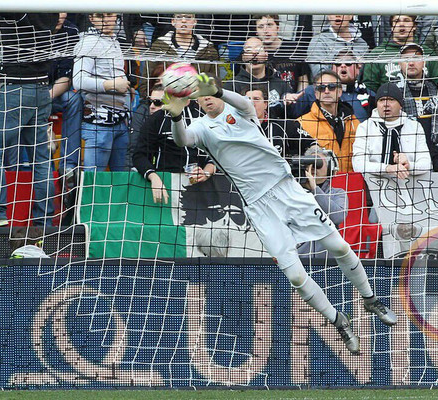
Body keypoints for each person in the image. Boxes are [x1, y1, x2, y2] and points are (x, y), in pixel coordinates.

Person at [162, 72, 397, 354]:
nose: (206, 99)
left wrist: (220, 91)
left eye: (210, 92)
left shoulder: (242, 110)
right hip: (258, 207)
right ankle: (338, 320)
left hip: (288, 190)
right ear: (195, 100)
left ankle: (370, 299)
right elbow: (182, 140)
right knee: (296, 277)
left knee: (339, 246)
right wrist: (176, 116)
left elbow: (240, 101)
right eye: (200, 96)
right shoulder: (200, 127)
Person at [0, 13, 59, 227]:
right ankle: (44, 220)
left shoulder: (16, 9)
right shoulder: (50, 10)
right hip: (42, 89)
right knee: (41, 159)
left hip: (16, 87)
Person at [132, 91, 215, 204]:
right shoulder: (157, 119)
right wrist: (153, 177)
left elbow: (218, 153)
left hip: (201, 189)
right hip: (165, 184)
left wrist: (205, 173)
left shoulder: (202, 116)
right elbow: (139, 155)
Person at [73, 12, 130, 172]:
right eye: (100, 16)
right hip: (99, 124)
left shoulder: (114, 41)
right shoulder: (89, 42)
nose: (106, 20)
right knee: (93, 182)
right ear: (91, 18)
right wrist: (111, 84)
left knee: (121, 183)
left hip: (120, 121)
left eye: (110, 14)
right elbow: (78, 80)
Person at [352, 82, 432, 178]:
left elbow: (426, 163)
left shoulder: (415, 127)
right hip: (373, 187)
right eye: (381, 100)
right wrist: (387, 168)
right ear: (376, 104)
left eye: (391, 100)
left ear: (401, 104)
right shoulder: (365, 128)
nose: (386, 104)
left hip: (409, 186)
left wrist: (409, 165)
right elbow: (358, 165)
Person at [140, 13, 219, 97]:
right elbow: (146, 83)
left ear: (195, 22)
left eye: (188, 17)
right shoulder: (158, 47)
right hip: (166, 101)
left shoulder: (209, 50)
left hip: (198, 102)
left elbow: (216, 84)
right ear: (173, 22)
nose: (184, 21)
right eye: (179, 17)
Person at [362, 15, 438, 94]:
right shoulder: (377, 54)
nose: (401, 24)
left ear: (414, 26)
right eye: (396, 21)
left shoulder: (428, 53)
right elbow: (370, 86)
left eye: (406, 20)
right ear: (391, 27)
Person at [297, 70, 360, 173]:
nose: (326, 91)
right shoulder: (302, 123)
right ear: (316, 94)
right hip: (321, 185)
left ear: (339, 92)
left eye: (331, 87)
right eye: (321, 88)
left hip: (351, 182)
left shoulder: (354, 122)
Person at [286, 52, 375, 121]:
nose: (343, 66)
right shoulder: (313, 91)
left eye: (348, 63)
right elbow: (291, 113)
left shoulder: (369, 95)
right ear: (332, 68)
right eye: (338, 64)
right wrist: (287, 102)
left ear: (358, 68)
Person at [297, 146, 348, 256]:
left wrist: (314, 189)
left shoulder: (337, 193)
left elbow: (338, 216)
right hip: (300, 258)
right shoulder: (295, 193)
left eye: (318, 164)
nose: (314, 168)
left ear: (329, 168)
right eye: (310, 163)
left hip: (328, 259)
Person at [49, 13, 82, 176]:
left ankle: (68, 165)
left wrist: (48, 95)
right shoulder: (33, 27)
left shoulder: (71, 31)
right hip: (33, 86)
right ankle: (39, 164)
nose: (60, 15)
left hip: (57, 90)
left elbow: (67, 77)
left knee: (74, 99)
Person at [395, 43, 438, 152]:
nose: (411, 63)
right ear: (399, 63)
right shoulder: (393, 91)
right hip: (403, 150)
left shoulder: (436, 89)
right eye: (406, 59)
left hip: (435, 150)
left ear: (424, 62)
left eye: (416, 58)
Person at [244, 85, 316, 158]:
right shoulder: (234, 127)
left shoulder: (284, 126)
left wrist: (315, 154)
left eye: (256, 99)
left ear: (265, 104)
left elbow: (312, 144)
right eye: (248, 100)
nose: (252, 103)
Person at [231, 37, 291, 118]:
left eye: (258, 50)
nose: (254, 53)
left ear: (266, 55)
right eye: (249, 50)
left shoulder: (281, 84)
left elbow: (291, 115)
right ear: (243, 57)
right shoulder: (232, 85)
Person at [253, 14, 310, 92]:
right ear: (256, 31)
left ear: (278, 28)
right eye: (261, 27)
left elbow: (303, 80)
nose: (265, 31)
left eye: (269, 25)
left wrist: (299, 99)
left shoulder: (295, 49)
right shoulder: (251, 53)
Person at [307, 15, 370, 79]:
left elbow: (365, 76)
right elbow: (320, 75)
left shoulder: (362, 44)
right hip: (328, 88)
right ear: (328, 16)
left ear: (350, 16)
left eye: (342, 12)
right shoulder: (318, 41)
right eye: (333, 12)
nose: (338, 15)